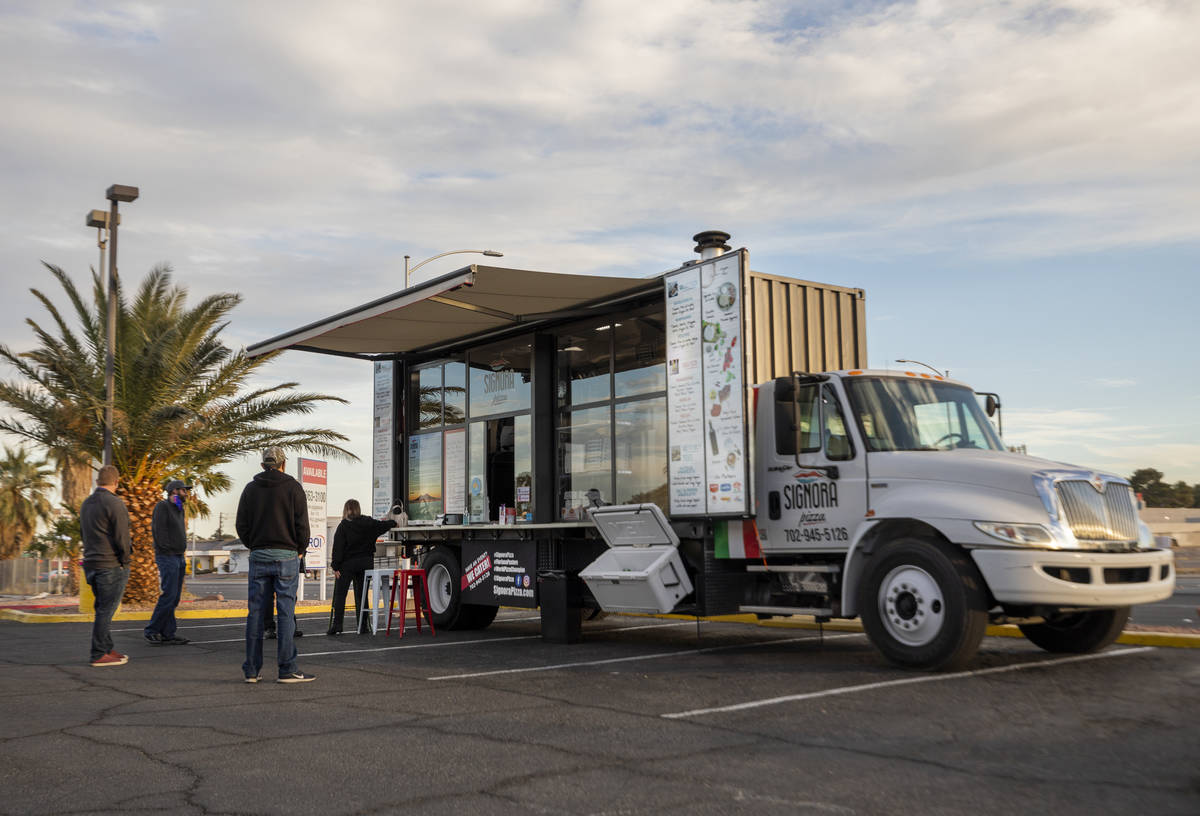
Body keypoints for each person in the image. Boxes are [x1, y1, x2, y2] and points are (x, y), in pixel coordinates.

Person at [234, 446, 314, 684]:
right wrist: (299, 550)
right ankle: (287, 669)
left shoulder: (250, 489)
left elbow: (242, 525)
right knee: (286, 614)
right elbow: (303, 526)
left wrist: (254, 545)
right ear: (283, 464)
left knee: (256, 614)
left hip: (259, 556)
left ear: (262, 466)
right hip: (287, 557)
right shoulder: (293, 488)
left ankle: (251, 670)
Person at [79, 465, 132, 667]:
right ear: (116, 482)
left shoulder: (86, 503)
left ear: (97, 481)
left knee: (102, 608)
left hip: (91, 563)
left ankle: (107, 648)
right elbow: (122, 537)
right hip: (109, 564)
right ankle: (99, 653)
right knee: (106, 610)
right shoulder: (115, 503)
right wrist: (125, 560)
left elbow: (83, 533)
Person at [328, 499, 396, 635]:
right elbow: (382, 526)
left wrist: (335, 566)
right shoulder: (368, 522)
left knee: (341, 595)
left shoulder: (343, 526)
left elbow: (338, 548)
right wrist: (393, 522)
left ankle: (337, 625)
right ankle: (363, 625)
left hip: (347, 564)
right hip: (366, 562)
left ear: (346, 509)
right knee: (362, 594)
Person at [144, 480, 192, 646]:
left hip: (179, 557)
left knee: (175, 597)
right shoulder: (162, 507)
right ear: (174, 491)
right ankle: (152, 630)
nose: (186, 493)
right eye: (184, 490)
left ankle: (168, 633)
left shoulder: (179, 508)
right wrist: (167, 549)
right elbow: (158, 531)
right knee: (169, 595)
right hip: (168, 557)